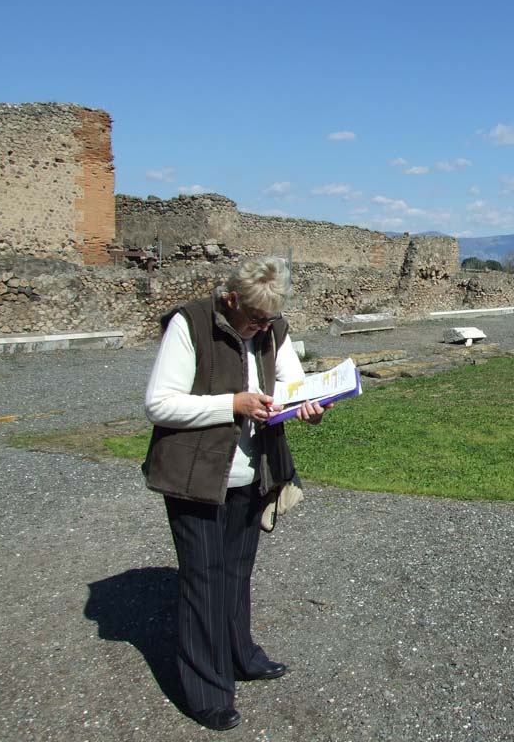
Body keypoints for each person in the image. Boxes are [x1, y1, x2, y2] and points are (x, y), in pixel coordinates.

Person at [142, 257, 325, 731]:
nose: (262, 327)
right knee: (203, 579)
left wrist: (306, 404)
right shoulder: (190, 322)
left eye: (270, 319)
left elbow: (289, 383)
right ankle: (206, 690)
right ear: (230, 300)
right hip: (196, 477)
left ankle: (241, 655)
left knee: (236, 572)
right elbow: (159, 403)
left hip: (251, 472)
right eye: (254, 318)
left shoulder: (270, 328)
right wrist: (233, 404)